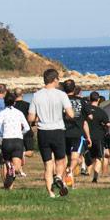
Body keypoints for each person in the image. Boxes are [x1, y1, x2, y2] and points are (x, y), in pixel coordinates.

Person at [28, 69, 74, 198]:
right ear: (54, 80)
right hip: (58, 130)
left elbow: (31, 118)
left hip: (43, 131)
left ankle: (51, 193)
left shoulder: (36, 95)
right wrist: (66, 115)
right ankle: (59, 177)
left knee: (48, 164)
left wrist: (37, 119)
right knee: (61, 160)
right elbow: (70, 114)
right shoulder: (61, 95)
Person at [62, 79, 92, 188]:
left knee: (66, 158)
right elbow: (88, 118)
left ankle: (68, 182)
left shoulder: (61, 100)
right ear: (74, 89)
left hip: (63, 132)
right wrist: (88, 137)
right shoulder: (82, 101)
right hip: (77, 133)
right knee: (75, 158)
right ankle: (70, 171)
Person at [0, 92, 30, 190]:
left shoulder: (1, 113)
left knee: (6, 162)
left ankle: (8, 186)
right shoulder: (19, 113)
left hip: (7, 140)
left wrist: (1, 134)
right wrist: (21, 133)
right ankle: (12, 173)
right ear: (14, 102)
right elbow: (27, 128)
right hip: (18, 140)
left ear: (4, 102)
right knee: (16, 166)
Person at [87, 91, 110, 183]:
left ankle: (87, 172)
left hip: (87, 136)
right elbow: (108, 124)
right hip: (98, 136)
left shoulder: (86, 110)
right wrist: (105, 128)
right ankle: (95, 177)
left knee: (90, 157)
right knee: (99, 157)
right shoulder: (101, 111)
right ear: (99, 100)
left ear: (90, 98)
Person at [13, 88, 34, 176]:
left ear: (14, 95)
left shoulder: (12, 106)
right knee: (30, 152)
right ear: (22, 94)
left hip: (15, 131)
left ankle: (20, 170)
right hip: (26, 130)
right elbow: (31, 117)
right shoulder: (27, 105)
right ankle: (20, 169)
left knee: (17, 153)